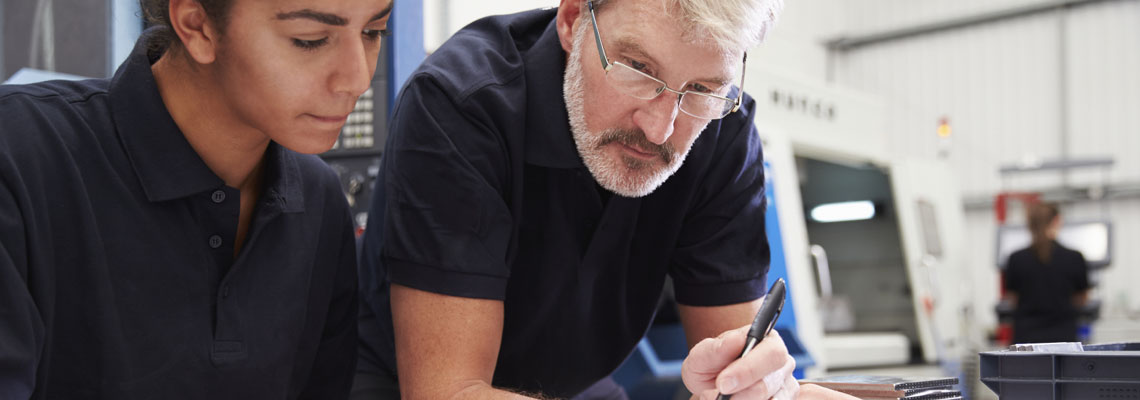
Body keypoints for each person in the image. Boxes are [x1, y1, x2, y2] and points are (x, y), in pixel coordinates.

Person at [355, 0, 853, 398]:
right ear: (573, 21)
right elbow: (450, 391)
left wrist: (758, 384)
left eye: (701, 88)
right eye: (638, 67)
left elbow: (735, 365)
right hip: (398, 381)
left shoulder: (722, 130)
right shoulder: (462, 104)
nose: (661, 128)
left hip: (573, 382)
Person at [0, 0, 392, 398]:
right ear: (197, 25)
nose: (357, 78)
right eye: (310, 40)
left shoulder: (319, 201)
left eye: (373, 32)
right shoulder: (19, 158)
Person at [1003, 202, 1091, 344]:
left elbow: (1013, 300)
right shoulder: (1074, 257)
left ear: (1029, 224)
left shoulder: (1016, 259)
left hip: (1026, 340)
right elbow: (1082, 299)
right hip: (1063, 339)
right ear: (1057, 221)